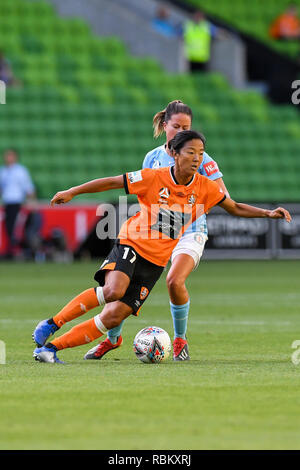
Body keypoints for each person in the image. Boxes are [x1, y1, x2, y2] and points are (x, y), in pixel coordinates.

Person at [32, 130, 291, 363]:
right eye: (190, 152)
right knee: (112, 291)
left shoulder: (205, 187)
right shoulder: (153, 177)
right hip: (132, 242)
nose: (196, 158)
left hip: (156, 261)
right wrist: (73, 191)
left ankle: (50, 349)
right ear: (175, 154)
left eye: (200, 153)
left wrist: (267, 214)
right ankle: (53, 323)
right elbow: (112, 181)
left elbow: (234, 207)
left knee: (113, 317)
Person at [88, 100, 229, 362]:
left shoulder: (202, 159)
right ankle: (112, 339)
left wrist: (186, 214)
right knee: (120, 283)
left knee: (174, 280)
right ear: (165, 126)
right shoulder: (152, 157)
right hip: (153, 232)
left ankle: (179, 340)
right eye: (176, 126)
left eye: (186, 127)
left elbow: (223, 196)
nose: (181, 131)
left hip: (189, 230)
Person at [0, 149, 35, 258]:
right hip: (7, 203)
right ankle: (12, 251)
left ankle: (20, 250)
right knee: (8, 227)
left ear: (15, 157)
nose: (7, 158)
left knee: (16, 228)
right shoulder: (3, 171)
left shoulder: (21, 171)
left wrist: (31, 202)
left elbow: (28, 188)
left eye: (10, 156)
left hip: (17, 203)